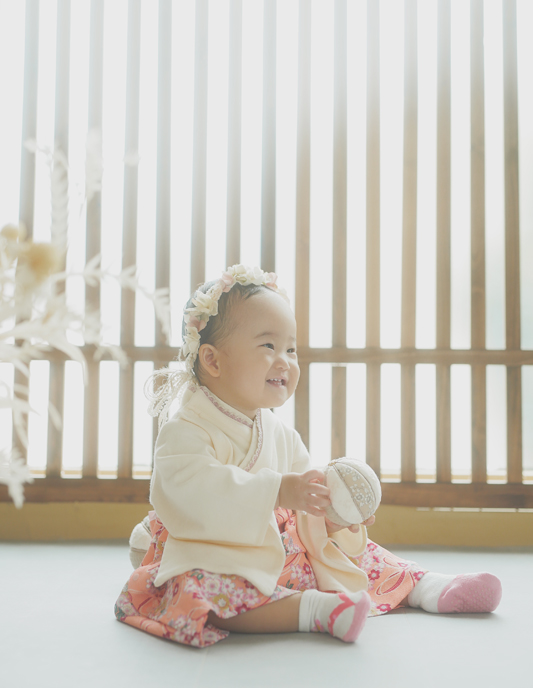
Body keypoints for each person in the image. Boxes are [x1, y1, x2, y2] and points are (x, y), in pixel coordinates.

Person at [115, 265, 502, 648]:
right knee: (201, 590)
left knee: (345, 551)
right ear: (213, 360)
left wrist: (332, 516)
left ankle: (426, 586)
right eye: (268, 346)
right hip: (214, 553)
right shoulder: (186, 430)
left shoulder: (278, 432)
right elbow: (193, 491)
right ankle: (316, 610)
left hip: (283, 552)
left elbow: (306, 500)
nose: (284, 360)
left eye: (291, 349)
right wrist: (277, 491)